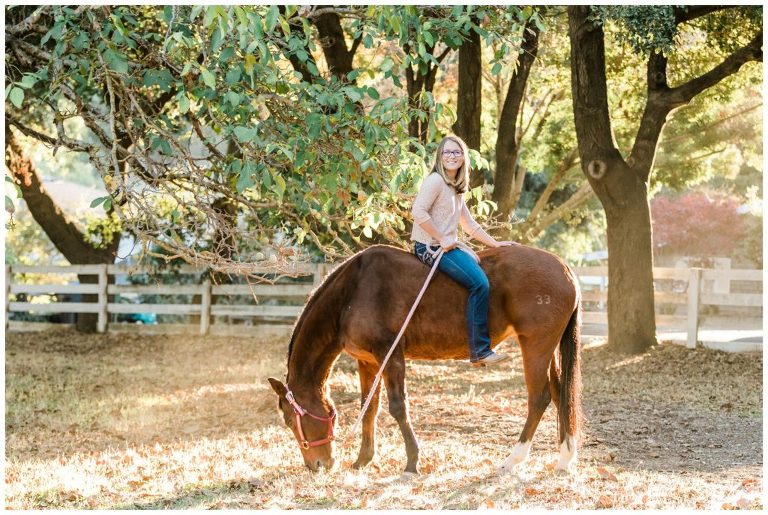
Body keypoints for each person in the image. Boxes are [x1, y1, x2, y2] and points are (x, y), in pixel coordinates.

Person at [411, 135, 513, 366]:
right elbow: (418, 211)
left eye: (456, 152)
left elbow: (469, 223)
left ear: (463, 158)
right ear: (439, 156)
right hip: (429, 246)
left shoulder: (455, 187)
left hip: (443, 244)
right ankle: (480, 351)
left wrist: (495, 244)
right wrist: (442, 238)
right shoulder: (436, 181)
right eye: (447, 152)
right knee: (480, 283)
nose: (451, 156)